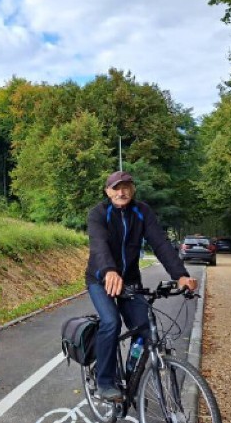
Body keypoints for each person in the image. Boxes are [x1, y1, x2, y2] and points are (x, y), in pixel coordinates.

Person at [85, 170, 198, 401]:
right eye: (116, 188)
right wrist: (109, 271)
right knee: (111, 322)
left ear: (133, 189)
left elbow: (160, 243)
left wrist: (181, 275)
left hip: (131, 281)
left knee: (146, 329)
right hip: (100, 278)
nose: (121, 192)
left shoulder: (142, 211)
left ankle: (130, 374)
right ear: (108, 191)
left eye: (126, 186)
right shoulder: (98, 213)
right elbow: (99, 244)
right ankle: (105, 381)